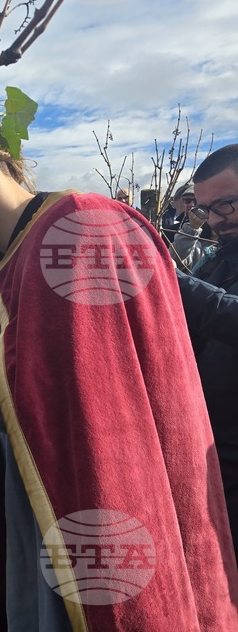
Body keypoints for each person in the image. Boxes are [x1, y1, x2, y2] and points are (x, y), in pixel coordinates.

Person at [0, 98, 238, 630]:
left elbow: (64, 393)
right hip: (34, 511)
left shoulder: (81, 231)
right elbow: (8, 412)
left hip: (106, 495)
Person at [173, 143, 238, 565]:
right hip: (208, 456)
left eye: (227, 205)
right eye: (208, 209)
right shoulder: (220, 260)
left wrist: (172, 283)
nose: (215, 221)